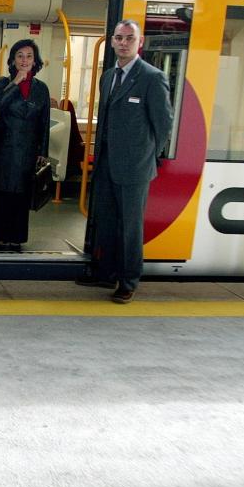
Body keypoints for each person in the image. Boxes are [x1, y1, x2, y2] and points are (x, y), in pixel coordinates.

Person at [77, 19, 173, 304]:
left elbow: (163, 124)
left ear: (139, 42)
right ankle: (106, 273)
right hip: (105, 164)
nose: (123, 43)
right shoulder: (108, 76)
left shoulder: (152, 77)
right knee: (105, 222)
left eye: (129, 38)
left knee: (130, 227)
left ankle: (128, 281)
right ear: (112, 41)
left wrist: (146, 158)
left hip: (135, 168)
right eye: (119, 38)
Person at [0, 39, 50, 252]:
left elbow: (44, 122)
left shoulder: (41, 89)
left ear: (35, 61)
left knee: (22, 196)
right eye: (20, 56)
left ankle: (17, 237)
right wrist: (15, 82)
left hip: (28, 151)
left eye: (29, 56)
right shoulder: (1, 83)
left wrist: (43, 151)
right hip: (4, 148)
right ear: (13, 60)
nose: (24, 60)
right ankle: (1, 237)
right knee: (2, 194)